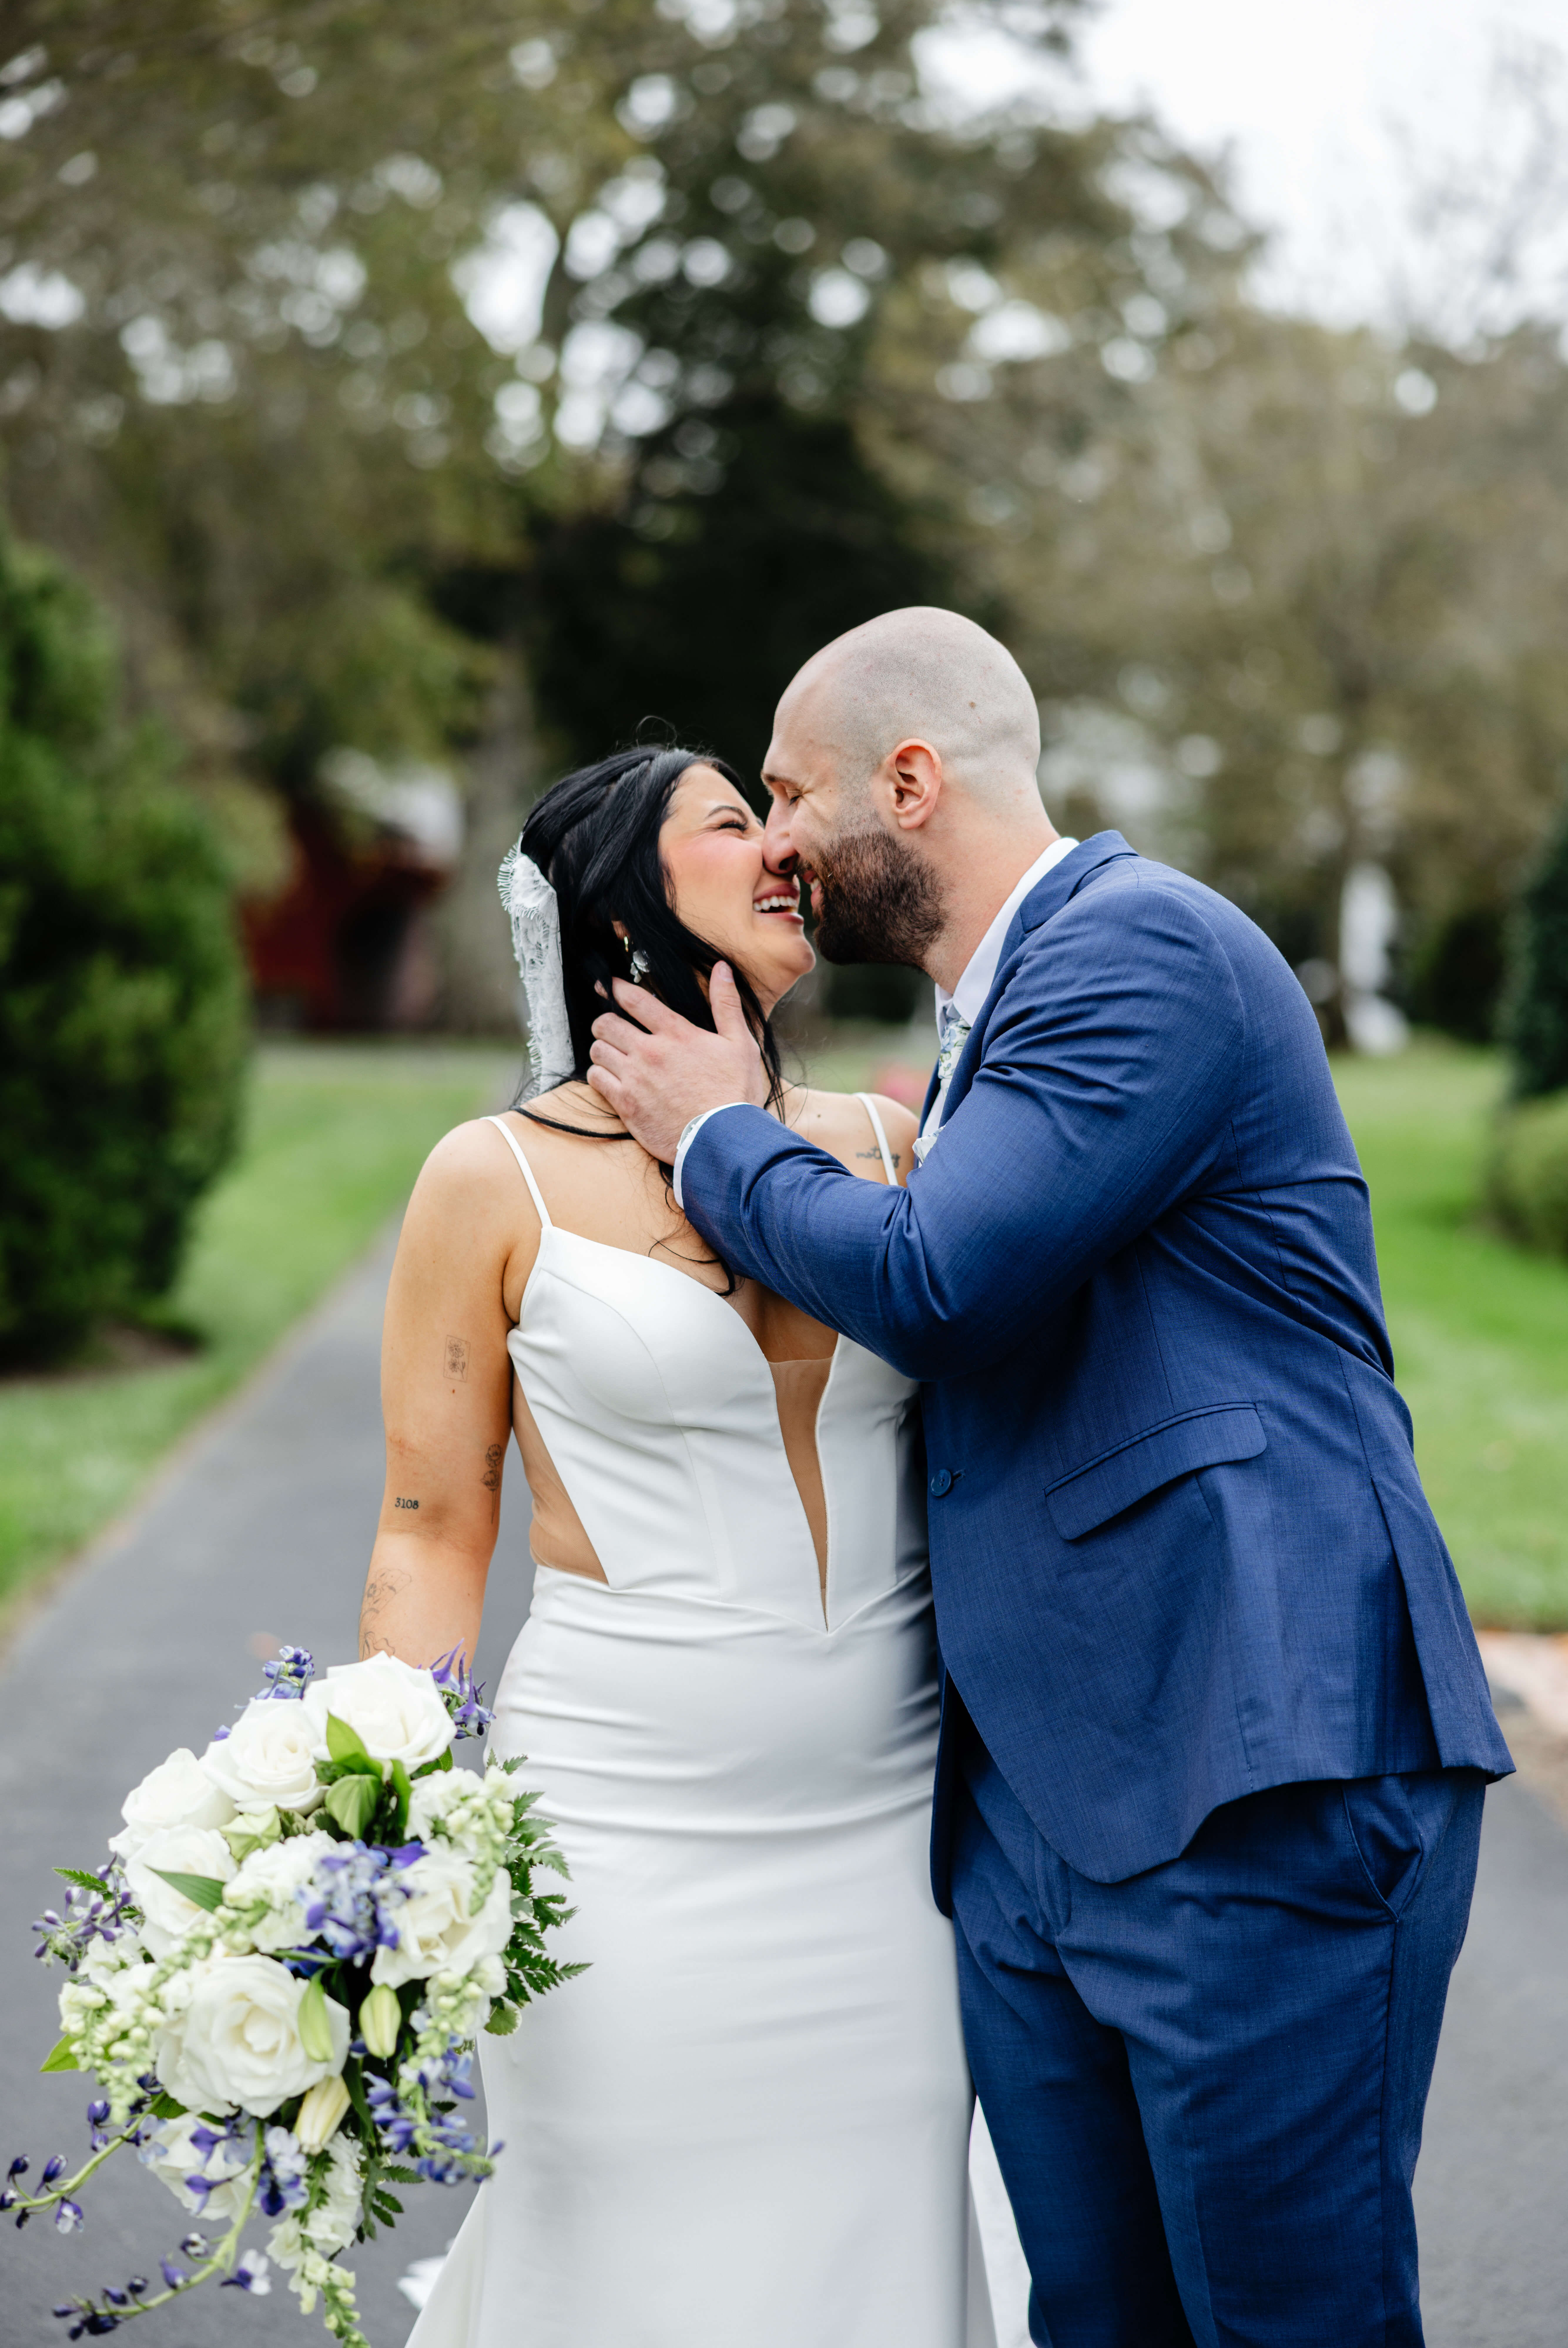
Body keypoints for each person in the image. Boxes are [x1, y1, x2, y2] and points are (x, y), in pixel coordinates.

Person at [585, 609, 1516, 2348]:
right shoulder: (988, 1021)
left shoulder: (1142, 948)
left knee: (1284, 2324)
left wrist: (714, 1132)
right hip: (1038, 1822)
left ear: (910, 784)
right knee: (1094, 2320)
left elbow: (945, 1282)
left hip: (1254, 1766)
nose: (772, 843)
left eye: (786, 795)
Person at [360, 744, 1004, 2348]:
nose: (787, 844)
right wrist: (384, 1821)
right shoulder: (491, 1180)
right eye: (736, 822)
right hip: (621, 1850)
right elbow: (431, 1530)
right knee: (639, 2263)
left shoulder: (894, 1146)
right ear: (624, 900)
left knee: (888, 2248)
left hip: (893, 1855)